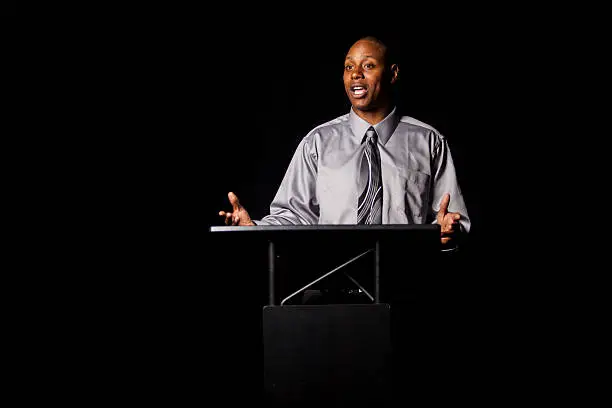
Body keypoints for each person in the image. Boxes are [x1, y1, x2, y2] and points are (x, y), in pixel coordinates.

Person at [218, 35, 470, 250]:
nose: (356, 75)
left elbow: (451, 222)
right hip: (331, 286)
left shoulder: (428, 142)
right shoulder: (317, 143)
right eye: (349, 67)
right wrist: (254, 228)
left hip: (406, 286)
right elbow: (295, 215)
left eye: (368, 66)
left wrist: (448, 232)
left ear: (393, 73)